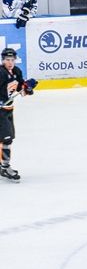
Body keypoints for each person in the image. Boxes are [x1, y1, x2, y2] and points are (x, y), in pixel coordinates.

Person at [0, 47, 35, 183]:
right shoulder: (1, 73)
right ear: (3, 60)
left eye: (12, 60)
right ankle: (5, 166)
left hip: (8, 109)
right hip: (1, 112)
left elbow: (21, 89)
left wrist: (28, 88)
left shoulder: (17, 71)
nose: (10, 62)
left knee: (7, 138)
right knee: (6, 138)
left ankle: (3, 165)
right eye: (7, 60)